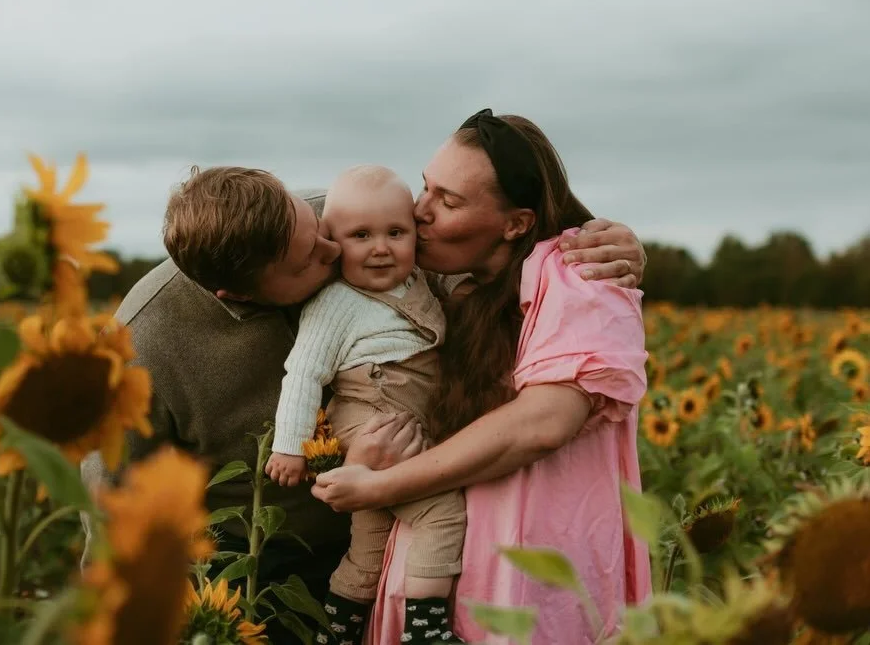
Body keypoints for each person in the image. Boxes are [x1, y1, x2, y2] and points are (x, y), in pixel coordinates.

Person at [80, 156, 647, 645]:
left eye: (323, 230)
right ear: (239, 293)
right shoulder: (144, 345)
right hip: (256, 562)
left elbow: (479, 245)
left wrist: (596, 246)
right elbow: (112, 525)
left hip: (396, 522)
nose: (335, 251)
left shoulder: (344, 219)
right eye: (309, 260)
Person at [311, 109, 651, 644]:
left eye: (447, 202)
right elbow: (301, 226)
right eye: (425, 187)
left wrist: (379, 486)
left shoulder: (579, 279)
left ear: (515, 223)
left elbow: (541, 423)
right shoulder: (436, 283)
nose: (419, 212)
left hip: (531, 584)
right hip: (442, 577)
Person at [266, 165, 466, 645]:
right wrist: (290, 447)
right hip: (370, 422)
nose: (381, 247)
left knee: (369, 549)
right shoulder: (335, 303)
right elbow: (304, 375)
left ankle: (334, 631)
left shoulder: (420, 281)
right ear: (333, 244)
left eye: (395, 232)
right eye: (361, 235)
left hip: (404, 421)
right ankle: (426, 629)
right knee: (442, 512)